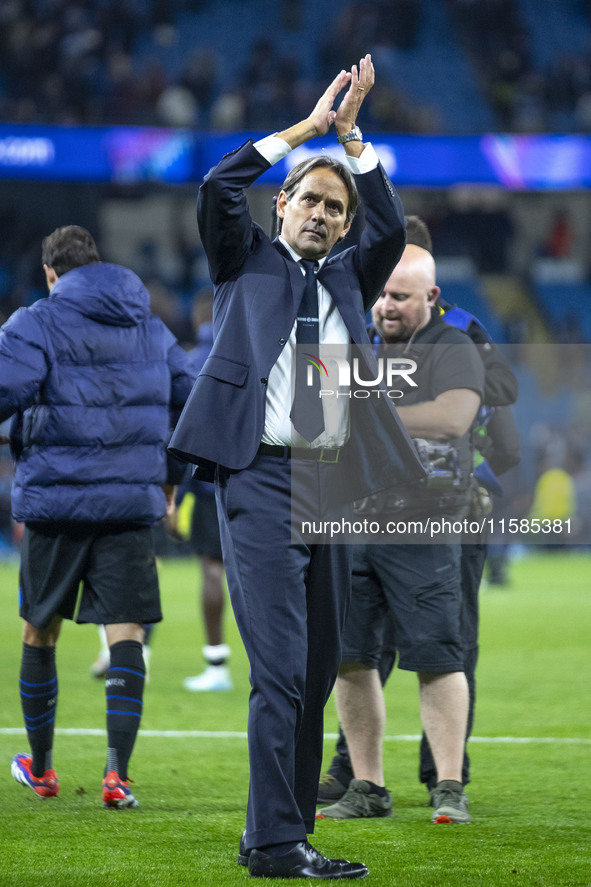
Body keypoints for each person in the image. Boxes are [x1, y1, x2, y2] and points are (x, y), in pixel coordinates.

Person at [169, 56, 424, 880]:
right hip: (260, 478)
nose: (319, 213)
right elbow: (216, 183)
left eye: (332, 207)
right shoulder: (243, 260)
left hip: (331, 482)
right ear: (282, 204)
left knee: (313, 673)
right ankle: (279, 844)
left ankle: (275, 834)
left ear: (343, 226)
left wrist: (354, 142)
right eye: (308, 199)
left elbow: (388, 223)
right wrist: (310, 130)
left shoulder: (352, 274)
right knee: (279, 667)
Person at [317, 217, 520, 810]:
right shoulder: (356, 323)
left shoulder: (458, 330)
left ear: (427, 282)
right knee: (358, 649)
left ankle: (443, 779)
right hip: (366, 512)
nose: (385, 300)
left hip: (446, 510)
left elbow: (493, 394)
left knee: (444, 646)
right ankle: (356, 773)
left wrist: (388, 406)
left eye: (399, 288)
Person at [1, 225, 194, 808]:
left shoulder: (36, 321)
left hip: (56, 505)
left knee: (41, 630)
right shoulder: (151, 325)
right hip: (131, 504)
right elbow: (189, 401)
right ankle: (117, 775)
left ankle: (43, 768)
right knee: (127, 632)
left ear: (52, 274)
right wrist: (169, 481)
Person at [180, 295, 231, 692]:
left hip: (207, 485)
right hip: (261, 481)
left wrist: (174, 496)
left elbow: (180, 434)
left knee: (212, 570)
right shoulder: (253, 351)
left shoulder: (192, 361)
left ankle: (217, 663)